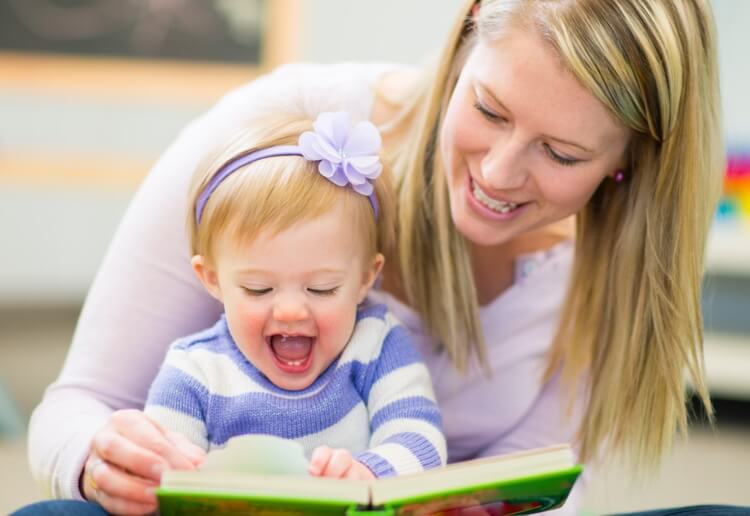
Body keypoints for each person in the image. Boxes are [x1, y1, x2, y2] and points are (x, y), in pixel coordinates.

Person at [16, 0, 750, 515]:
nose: (496, 174)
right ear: (466, 36)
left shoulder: (608, 265)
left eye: (561, 153)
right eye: (489, 110)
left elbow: (555, 480)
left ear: (626, 163)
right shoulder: (279, 138)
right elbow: (74, 406)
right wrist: (98, 458)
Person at [142, 110, 445, 482]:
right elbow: (161, 471)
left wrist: (367, 471)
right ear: (213, 279)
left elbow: (421, 440)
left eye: (321, 288)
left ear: (366, 278)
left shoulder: (376, 346)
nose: (289, 311)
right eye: (259, 289)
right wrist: (170, 471)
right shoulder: (195, 373)